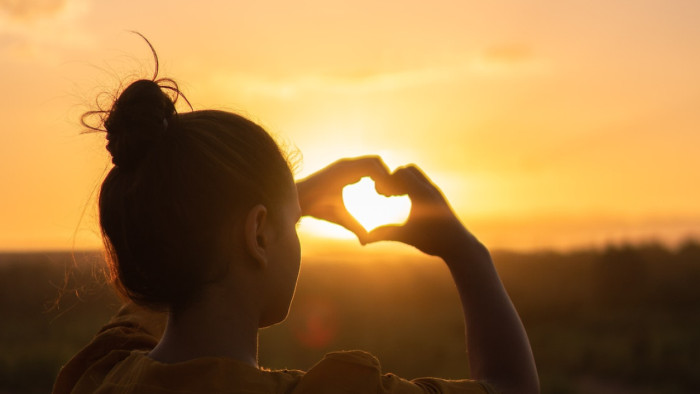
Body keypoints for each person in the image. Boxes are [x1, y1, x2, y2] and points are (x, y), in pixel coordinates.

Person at [53, 57, 539, 393]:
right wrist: (467, 251)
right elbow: (510, 388)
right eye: (294, 224)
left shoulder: (100, 374)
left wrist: (283, 202)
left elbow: (181, 262)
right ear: (259, 234)